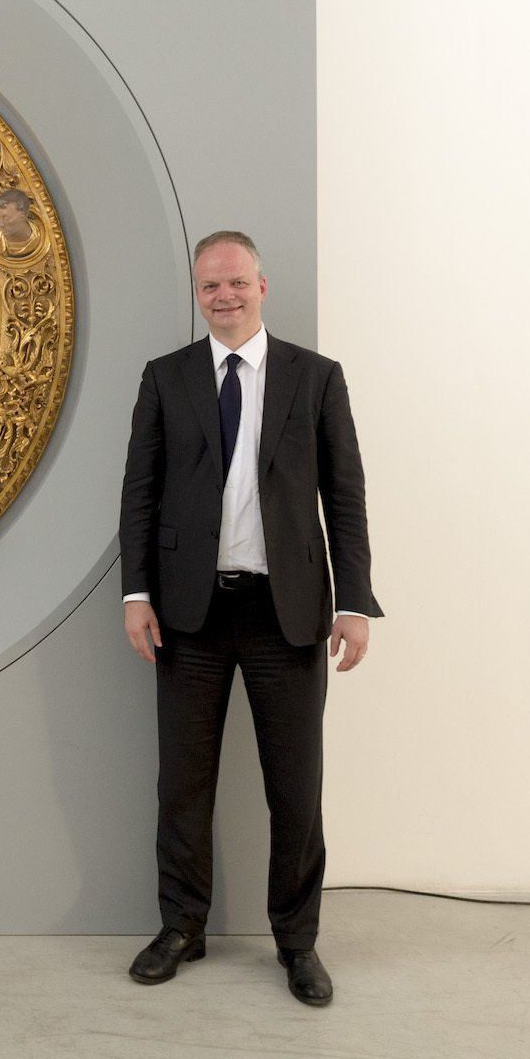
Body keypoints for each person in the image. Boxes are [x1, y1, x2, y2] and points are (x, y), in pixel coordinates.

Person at [117, 230, 380, 1008]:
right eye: (210, 286)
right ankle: (182, 928)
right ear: (197, 294)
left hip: (285, 613)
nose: (224, 296)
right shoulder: (165, 378)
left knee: (295, 790)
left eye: (236, 283)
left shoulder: (316, 377)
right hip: (187, 614)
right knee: (182, 786)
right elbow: (139, 493)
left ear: (262, 286)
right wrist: (136, 594)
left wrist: (354, 602)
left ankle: (297, 943)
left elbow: (346, 496)